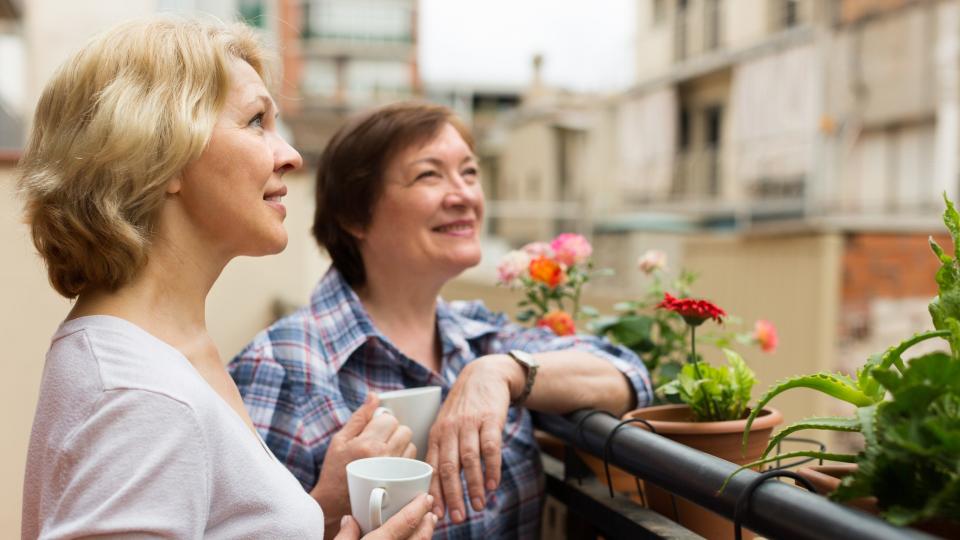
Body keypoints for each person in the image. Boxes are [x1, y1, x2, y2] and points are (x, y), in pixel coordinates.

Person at [19, 17, 435, 539]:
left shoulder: (160, 348)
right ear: (159, 154)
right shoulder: (142, 397)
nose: (290, 154)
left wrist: (319, 508)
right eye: (256, 121)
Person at [229, 101, 654, 538]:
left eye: (469, 173)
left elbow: (628, 374)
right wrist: (326, 509)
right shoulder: (277, 366)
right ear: (355, 214)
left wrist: (504, 372)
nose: (464, 195)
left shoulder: (480, 337)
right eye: (429, 175)